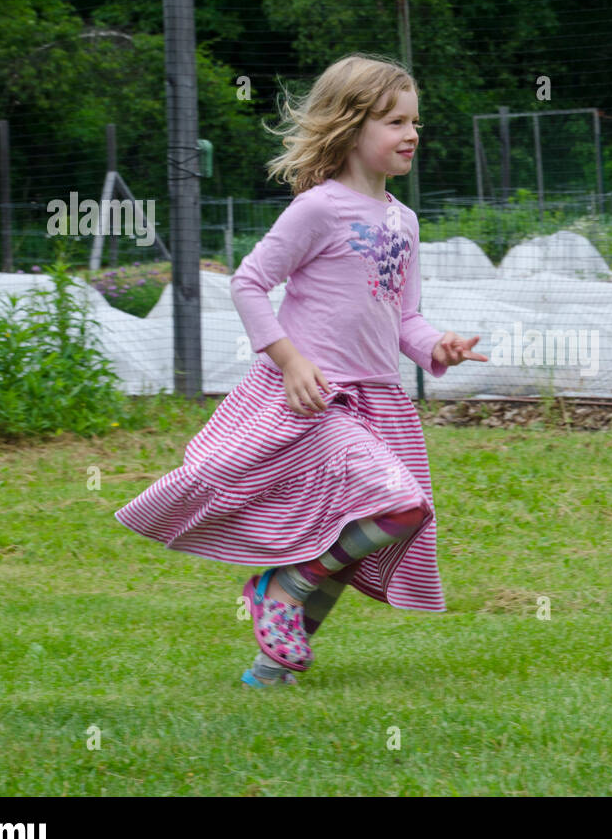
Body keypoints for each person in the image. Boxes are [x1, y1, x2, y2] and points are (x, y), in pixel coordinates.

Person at [114, 52, 487, 688]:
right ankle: (284, 583)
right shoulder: (318, 209)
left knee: (377, 522)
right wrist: (289, 361)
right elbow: (249, 283)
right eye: (395, 121)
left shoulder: (405, 220)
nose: (412, 134)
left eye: (415, 122)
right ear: (349, 127)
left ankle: (272, 664)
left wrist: (437, 347)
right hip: (315, 400)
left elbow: (404, 317)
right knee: (395, 504)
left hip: (378, 400)